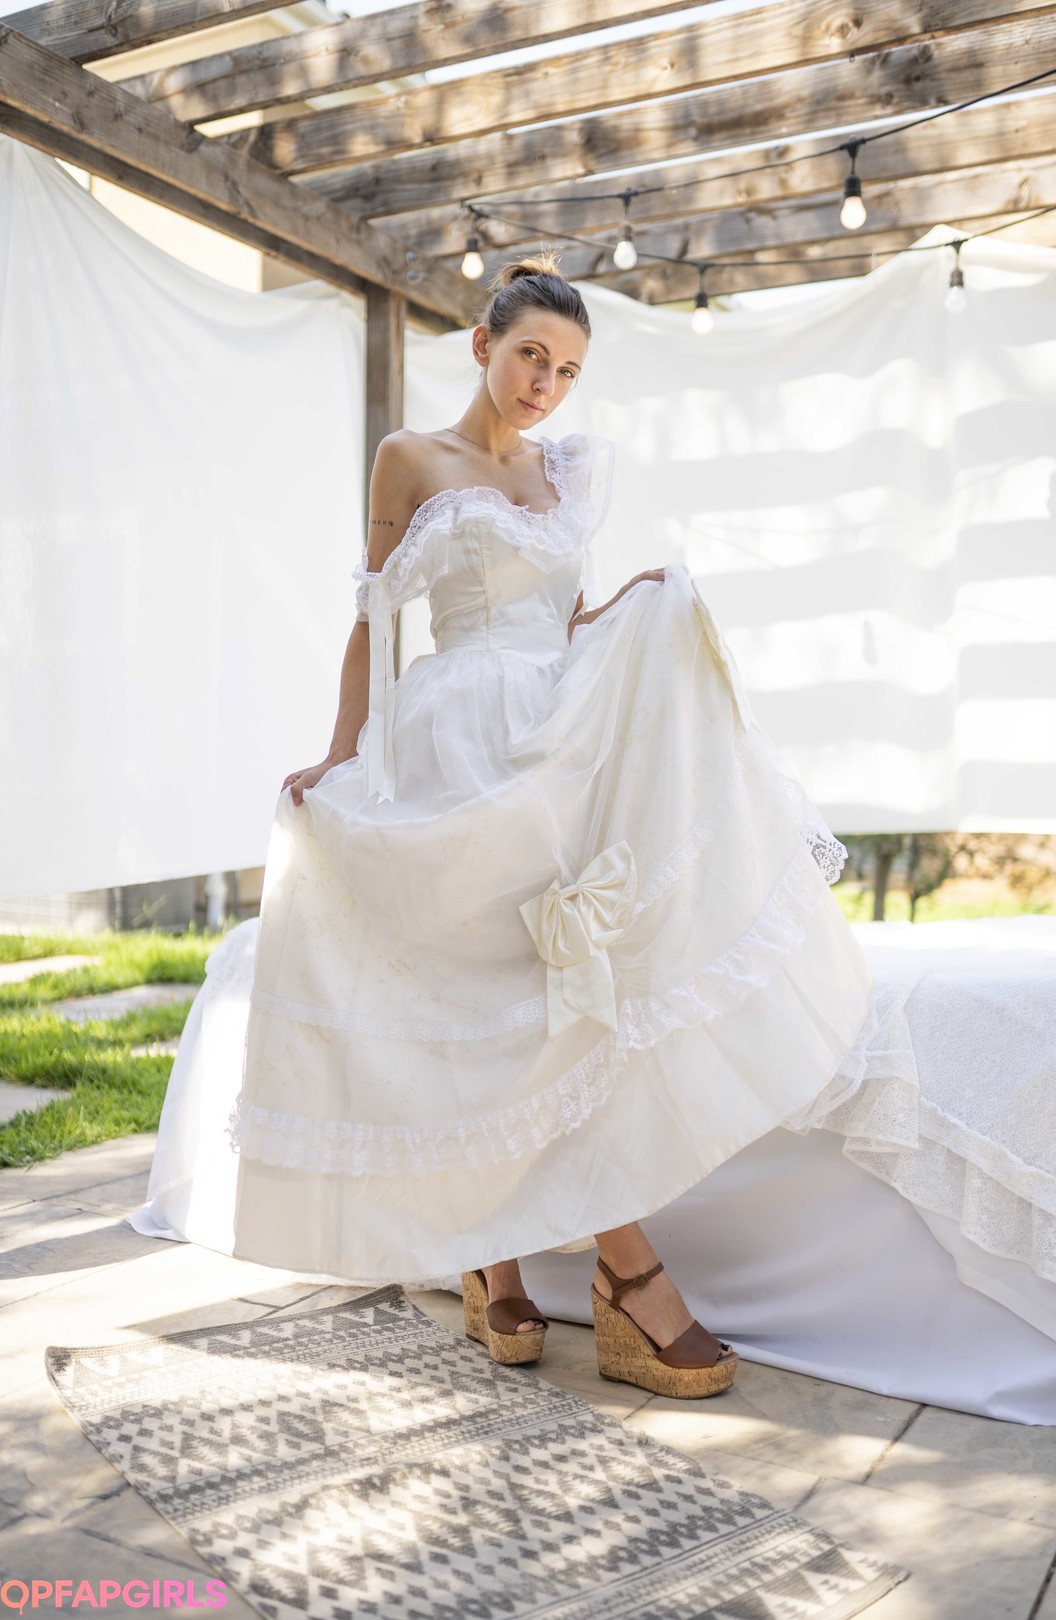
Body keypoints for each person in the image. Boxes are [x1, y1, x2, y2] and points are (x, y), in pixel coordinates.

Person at [226, 251, 874, 1399]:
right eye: (531, 356)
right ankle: (576, 1268)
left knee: (560, 987)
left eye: (568, 370)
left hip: (554, 731)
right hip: (458, 733)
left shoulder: (568, 473)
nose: (545, 385)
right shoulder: (410, 458)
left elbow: (569, 618)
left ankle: (523, 1263)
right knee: (493, 992)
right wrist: (341, 754)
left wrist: (639, 605)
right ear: (484, 346)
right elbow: (374, 617)